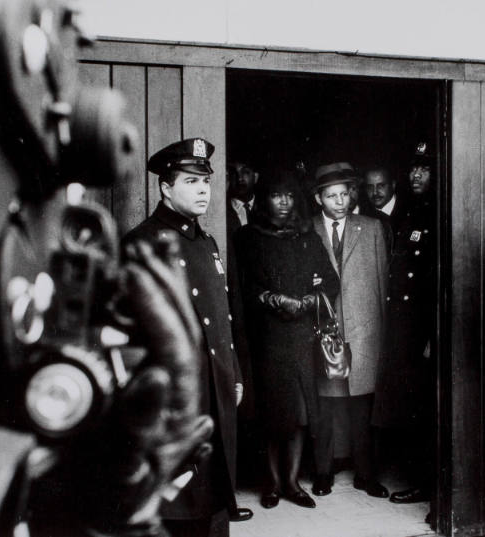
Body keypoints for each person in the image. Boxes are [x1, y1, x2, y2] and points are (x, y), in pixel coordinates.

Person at [123, 137, 249, 537]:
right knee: (179, 509)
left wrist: (236, 374)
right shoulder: (142, 243)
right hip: (176, 400)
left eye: (206, 182)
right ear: (165, 187)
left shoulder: (206, 243)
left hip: (215, 390)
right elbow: (130, 337)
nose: (202, 191)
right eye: (191, 182)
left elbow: (221, 319)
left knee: (214, 505)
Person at [234, 169, 339, 510]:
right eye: (276, 195)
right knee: (271, 412)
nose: (283, 202)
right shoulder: (248, 237)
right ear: (264, 199)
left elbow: (330, 281)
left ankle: (292, 482)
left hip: (301, 336)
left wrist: (310, 300)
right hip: (267, 337)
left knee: (298, 413)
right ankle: (271, 483)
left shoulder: (306, 236)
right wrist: (270, 298)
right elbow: (241, 287)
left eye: (289, 196)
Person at [310, 162, 390, 499]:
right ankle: (323, 472)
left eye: (344, 194)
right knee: (326, 406)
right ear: (319, 199)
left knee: (362, 407)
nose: (340, 201)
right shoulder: (307, 228)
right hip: (325, 330)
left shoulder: (371, 227)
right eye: (332, 196)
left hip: (364, 329)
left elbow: (383, 279)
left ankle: (366, 474)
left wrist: (384, 332)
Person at [373, 143, 436, 509]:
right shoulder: (414, 214)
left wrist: (431, 336)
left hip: (423, 333)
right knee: (411, 408)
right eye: (413, 168)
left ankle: (429, 486)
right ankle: (419, 480)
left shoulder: (438, 215)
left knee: (426, 411)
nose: (416, 175)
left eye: (425, 169)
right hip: (405, 331)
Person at [226, 161, 258, 238]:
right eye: (233, 173)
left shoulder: (266, 208)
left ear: (256, 177)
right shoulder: (222, 210)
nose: (239, 178)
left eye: (245, 172)